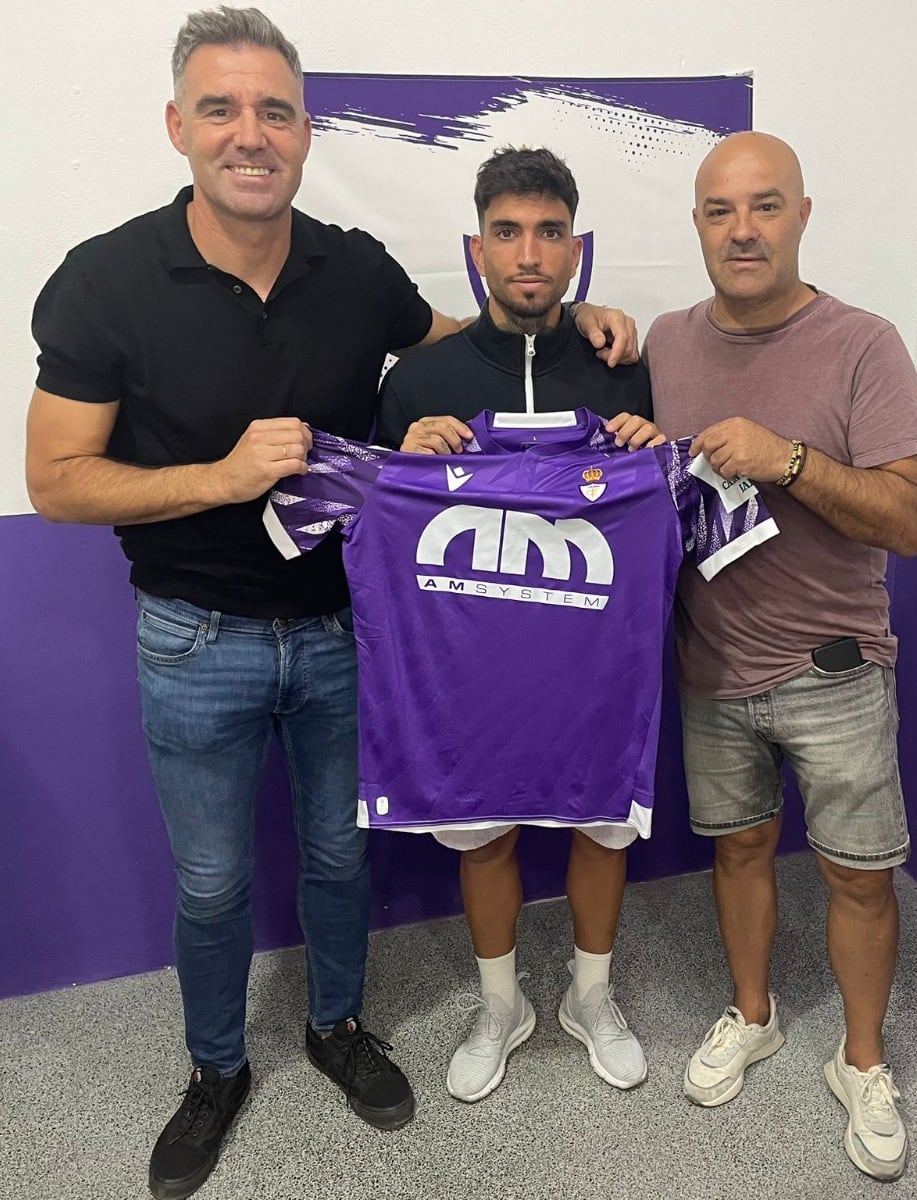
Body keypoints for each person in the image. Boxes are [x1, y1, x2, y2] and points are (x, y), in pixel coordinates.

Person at [23, 10, 637, 1198]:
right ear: (177, 126)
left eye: (274, 112)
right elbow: (53, 481)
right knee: (209, 881)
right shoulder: (105, 279)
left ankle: (338, 1030)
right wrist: (222, 476)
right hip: (191, 634)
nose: (249, 135)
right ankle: (213, 1074)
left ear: (305, 132)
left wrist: (586, 328)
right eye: (221, 109)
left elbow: (464, 346)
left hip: (346, 632)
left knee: (337, 857)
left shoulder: (353, 269)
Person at [645, 131, 917, 1182]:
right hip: (710, 667)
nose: (743, 229)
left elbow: (911, 522)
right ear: (697, 226)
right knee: (737, 852)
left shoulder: (864, 344)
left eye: (765, 206)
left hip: (834, 670)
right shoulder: (666, 342)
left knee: (860, 879)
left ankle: (862, 1062)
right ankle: (754, 1015)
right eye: (720, 212)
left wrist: (794, 460)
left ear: (803, 215)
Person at [377, 146, 662, 1103]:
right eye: (507, 232)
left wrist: (652, 450)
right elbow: (373, 516)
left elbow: (665, 500)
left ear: (577, 248)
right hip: (469, 677)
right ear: (476, 247)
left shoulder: (626, 367)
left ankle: (591, 994)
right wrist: (402, 458)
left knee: (601, 827)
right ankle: (502, 1004)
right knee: (485, 835)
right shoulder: (419, 381)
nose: (528, 254)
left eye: (548, 233)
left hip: (592, 664)